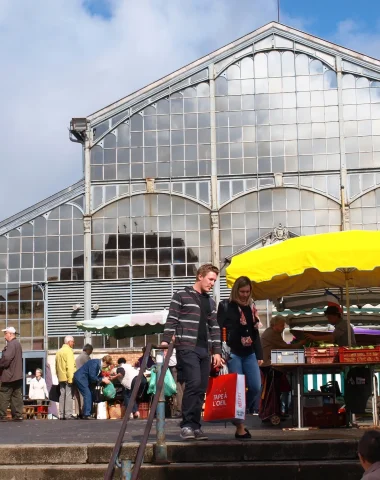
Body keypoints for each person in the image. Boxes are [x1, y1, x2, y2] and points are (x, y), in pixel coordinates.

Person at [161, 263, 222, 441]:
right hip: (186, 346)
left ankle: (195, 426)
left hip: (205, 349)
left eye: (215, 281)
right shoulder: (181, 295)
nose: (212, 283)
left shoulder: (210, 301)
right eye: (210, 279)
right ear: (200, 276)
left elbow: (215, 326)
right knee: (193, 383)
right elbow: (172, 319)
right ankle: (187, 425)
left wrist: (217, 351)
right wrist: (165, 341)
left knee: (201, 388)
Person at [217, 276, 263, 438]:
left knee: (256, 386)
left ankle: (240, 412)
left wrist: (259, 353)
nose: (244, 295)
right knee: (237, 391)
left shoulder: (251, 307)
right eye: (242, 291)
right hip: (232, 353)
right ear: (236, 290)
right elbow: (218, 329)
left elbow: (255, 331)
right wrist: (218, 352)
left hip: (249, 352)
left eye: (247, 292)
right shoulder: (226, 306)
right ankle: (240, 425)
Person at [260, 318, 305, 421]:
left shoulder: (271, 332)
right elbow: (285, 347)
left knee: (275, 391)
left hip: (271, 365)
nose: (283, 327)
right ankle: (270, 413)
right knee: (272, 392)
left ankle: (275, 412)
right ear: (274, 325)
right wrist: (301, 342)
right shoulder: (272, 333)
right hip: (270, 365)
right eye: (281, 325)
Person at [73, 355, 113, 420]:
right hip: (81, 378)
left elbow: (97, 375)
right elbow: (92, 377)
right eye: (108, 364)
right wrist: (102, 379)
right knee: (87, 394)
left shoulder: (98, 364)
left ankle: (88, 412)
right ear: (105, 362)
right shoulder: (95, 364)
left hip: (84, 379)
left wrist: (104, 378)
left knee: (90, 394)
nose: (107, 366)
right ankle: (86, 414)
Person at [0, 327, 23, 422]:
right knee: (16, 395)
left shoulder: (11, 345)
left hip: (9, 376)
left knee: (4, 395)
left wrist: (1, 365)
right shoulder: (18, 344)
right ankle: (17, 415)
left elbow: (6, 359)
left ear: (10, 334)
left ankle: (2, 415)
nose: (5, 336)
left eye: (5, 334)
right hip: (17, 375)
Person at [55, 335, 76, 420]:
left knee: (62, 395)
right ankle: (68, 414)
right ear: (69, 342)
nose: (73, 343)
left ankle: (62, 414)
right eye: (73, 342)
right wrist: (71, 378)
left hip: (61, 377)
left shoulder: (59, 351)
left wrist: (58, 375)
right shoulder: (69, 351)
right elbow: (70, 366)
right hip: (67, 377)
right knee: (69, 395)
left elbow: (56, 366)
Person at [74, 344, 93, 417]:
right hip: (82, 378)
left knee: (77, 396)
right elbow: (90, 369)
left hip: (75, 377)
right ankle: (83, 412)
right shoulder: (86, 357)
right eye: (91, 351)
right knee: (84, 395)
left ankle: (78, 412)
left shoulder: (78, 357)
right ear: (88, 350)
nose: (91, 352)